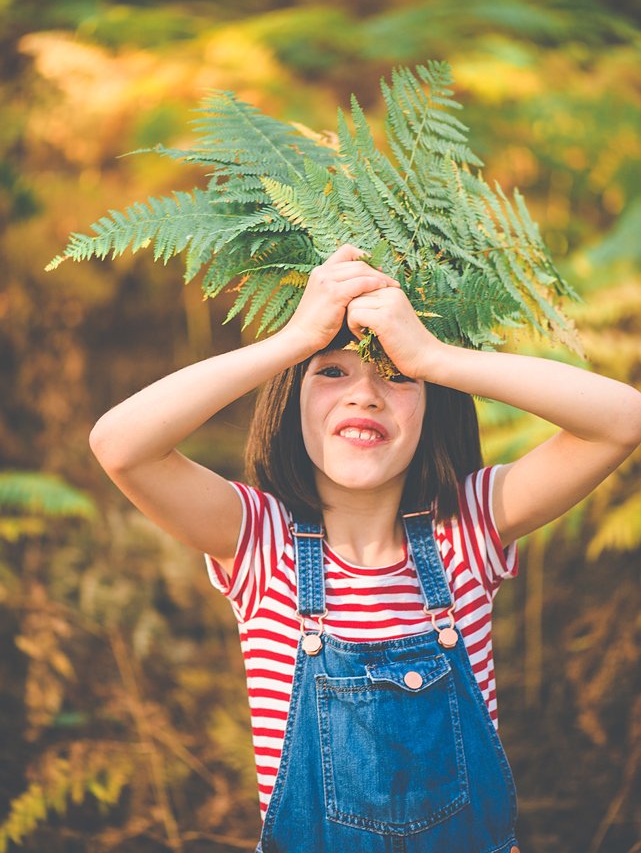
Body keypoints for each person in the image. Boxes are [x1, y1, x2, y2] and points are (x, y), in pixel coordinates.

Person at [89, 244, 641, 853]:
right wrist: (296, 337)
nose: (366, 395)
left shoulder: (469, 530)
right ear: (289, 397)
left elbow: (621, 419)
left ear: (434, 403)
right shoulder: (259, 542)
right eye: (332, 371)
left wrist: (432, 354)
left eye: (397, 376)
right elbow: (120, 445)